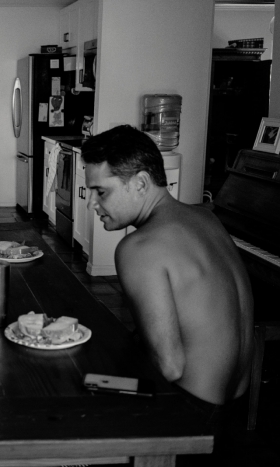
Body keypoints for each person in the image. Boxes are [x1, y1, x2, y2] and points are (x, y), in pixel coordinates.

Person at [81, 125, 254, 407]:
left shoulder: (139, 248)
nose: (92, 203)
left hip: (189, 410)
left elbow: (169, 368)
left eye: (101, 192)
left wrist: (96, 377)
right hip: (235, 405)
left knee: (76, 380)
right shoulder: (207, 218)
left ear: (140, 183)